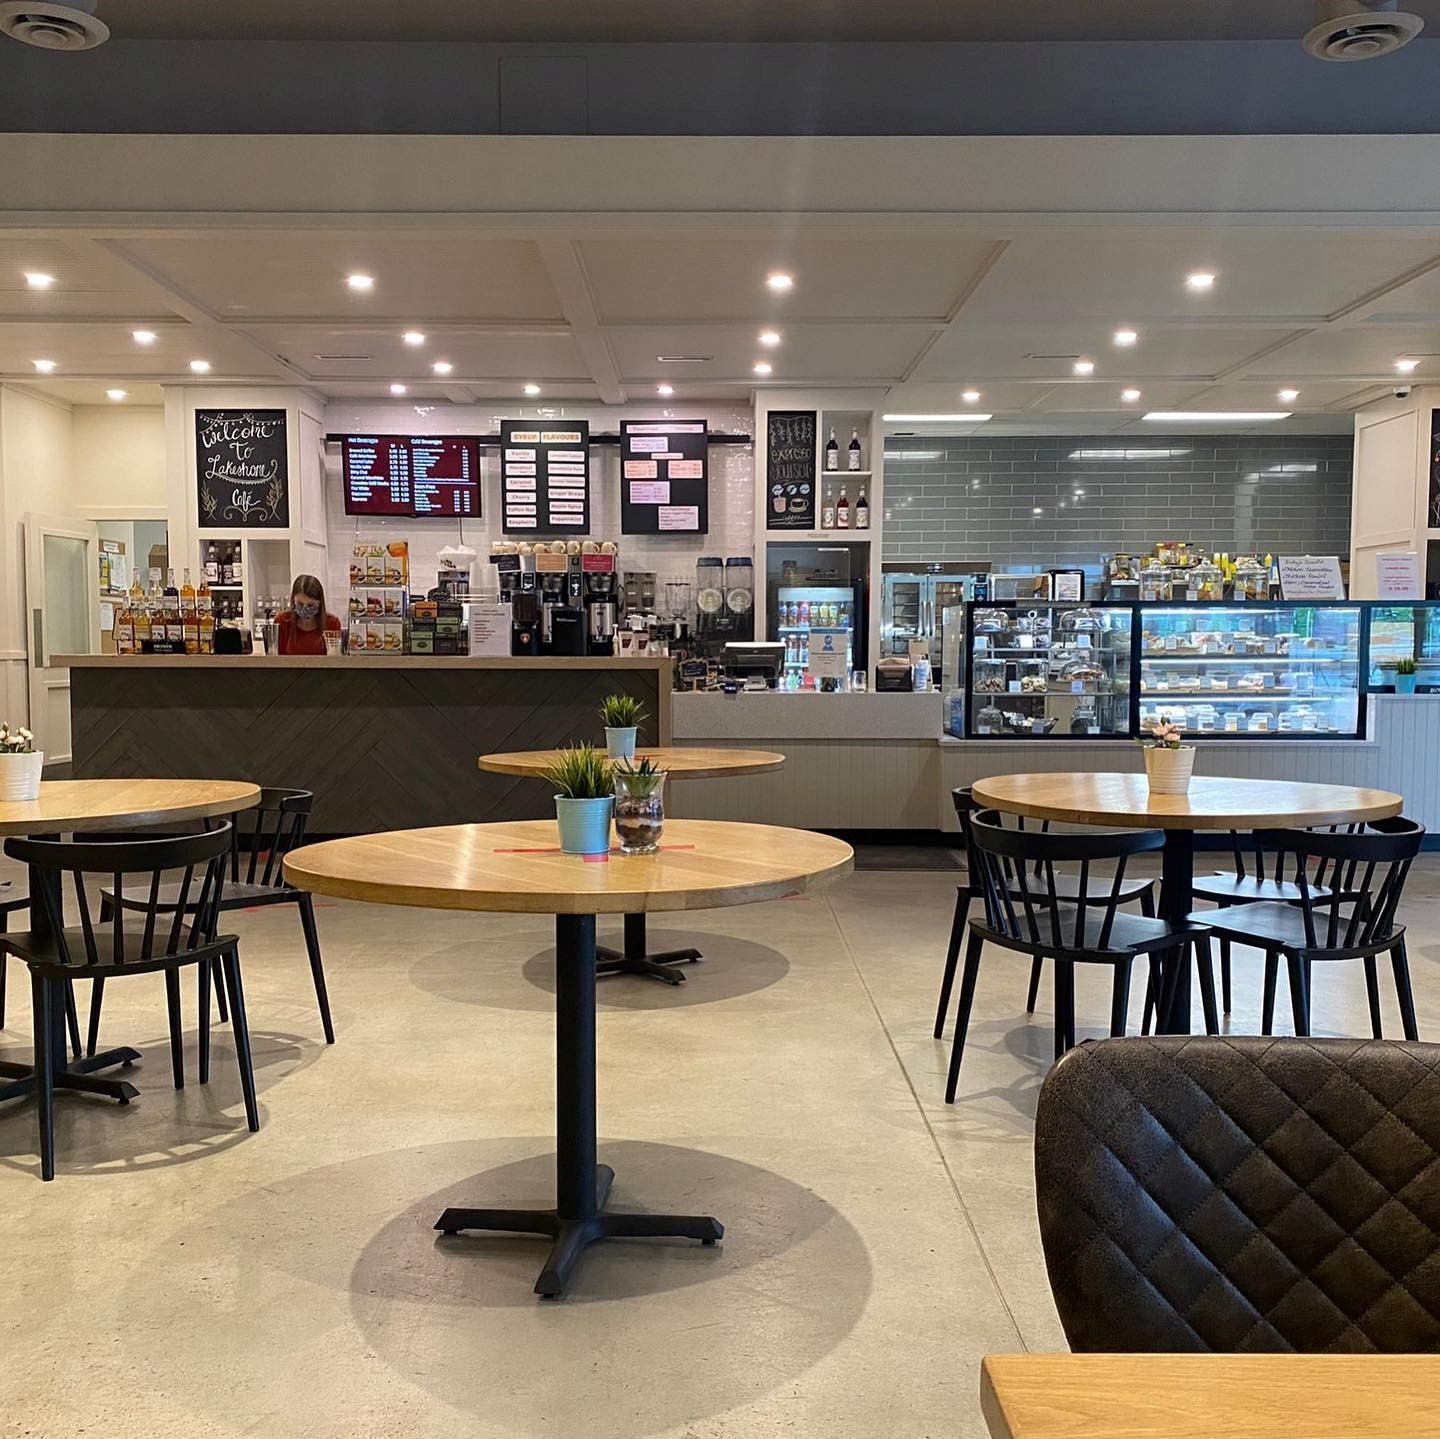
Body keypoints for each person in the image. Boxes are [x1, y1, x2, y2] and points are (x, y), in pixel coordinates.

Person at [276, 574, 342, 656]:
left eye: (311, 605)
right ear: (293, 600)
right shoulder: (282, 620)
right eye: (300, 604)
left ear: (319, 602)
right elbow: (277, 658)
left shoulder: (332, 623)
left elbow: (334, 659)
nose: (305, 608)